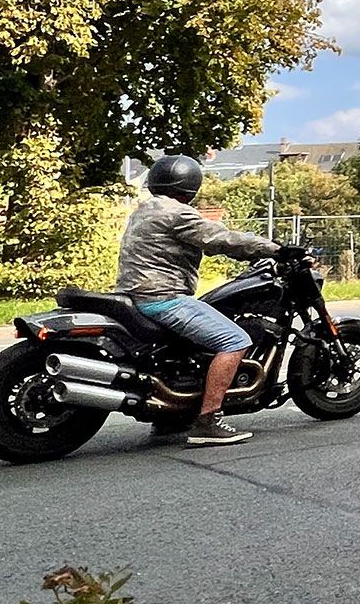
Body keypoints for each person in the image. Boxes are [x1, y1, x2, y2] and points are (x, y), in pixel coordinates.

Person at [115, 154, 297, 446]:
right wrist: (275, 250)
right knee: (235, 340)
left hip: (136, 294)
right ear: (190, 186)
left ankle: (171, 417)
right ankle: (208, 420)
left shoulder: (145, 209)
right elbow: (221, 239)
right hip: (163, 297)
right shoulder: (177, 213)